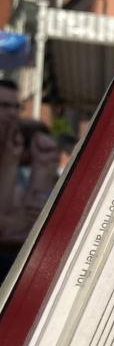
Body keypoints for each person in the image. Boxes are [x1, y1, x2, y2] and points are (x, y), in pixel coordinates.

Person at [0, 79, 60, 278]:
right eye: (4, 106)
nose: (12, 113)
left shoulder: (16, 158)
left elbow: (30, 226)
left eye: (16, 107)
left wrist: (42, 170)